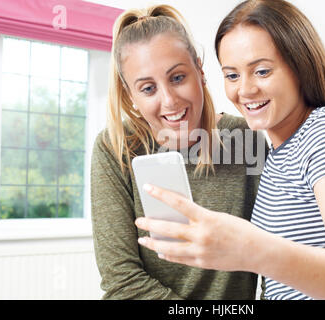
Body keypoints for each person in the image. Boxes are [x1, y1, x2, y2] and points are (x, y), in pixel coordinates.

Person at [135, 0, 325, 300]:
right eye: (232, 75)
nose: (245, 90)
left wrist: (253, 250)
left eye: (261, 71)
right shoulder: (276, 151)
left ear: (300, 66)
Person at [91, 4, 267, 299]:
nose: (170, 101)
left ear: (199, 70)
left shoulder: (245, 138)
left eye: (177, 78)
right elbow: (122, 280)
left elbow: (273, 257)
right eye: (148, 89)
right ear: (130, 95)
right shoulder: (115, 148)